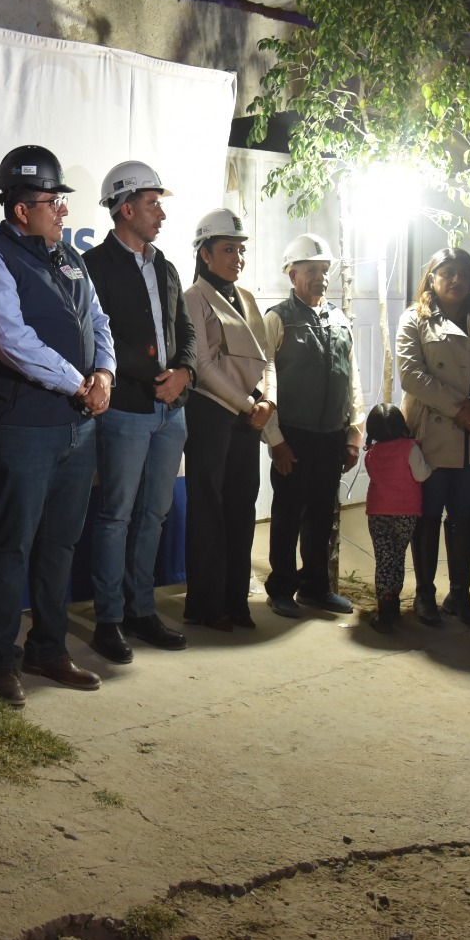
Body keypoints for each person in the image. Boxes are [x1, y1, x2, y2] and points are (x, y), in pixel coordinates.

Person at [0, 145, 115, 705]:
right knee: (14, 547)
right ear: (22, 209)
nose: (63, 211)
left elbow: (98, 319)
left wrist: (105, 373)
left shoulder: (69, 258)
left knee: (60, 544)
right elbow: (11, 340)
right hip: (23, 427)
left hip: (77, 427)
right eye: (53, 202)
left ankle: (48, 649)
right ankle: (0, 661)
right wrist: (80, 384)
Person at [80, 161, 195, 663]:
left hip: (171, 411)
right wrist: (154, 378)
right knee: (116, 516)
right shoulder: (93, 266)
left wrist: (185, 372)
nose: (161, 214)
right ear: (125, 209)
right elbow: (94, 337)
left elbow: (185, 331)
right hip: (126, 409)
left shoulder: (164, 265)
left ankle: (141, 610)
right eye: (152, 204)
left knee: (154, 513)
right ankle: (109, 620)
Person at [396, 247, 470, 627]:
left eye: (464, 273)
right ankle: (425, 594)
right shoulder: (414, 318)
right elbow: (411, 375)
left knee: (463, 513)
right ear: (432, 278)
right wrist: (458, 409)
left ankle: (459, 594)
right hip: (434, 432)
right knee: (429, 513)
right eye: (448, 272)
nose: (457, 280)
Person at [259, 234, 365, 618]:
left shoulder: (339, 319)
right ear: (292, 275)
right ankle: (281, 589)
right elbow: (264, 380)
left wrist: (354, 433)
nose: (320, 277)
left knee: (321, 515)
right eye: (311, 270)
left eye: (324, 270)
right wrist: (275, 440)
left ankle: (316, 588)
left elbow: (352, 378)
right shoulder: (277, 319)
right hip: (294, 435)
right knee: (288, 515)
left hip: (331, 435)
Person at [182, 208, 274, 630]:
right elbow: (201, 364)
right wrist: (247, 403)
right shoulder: (193, 298)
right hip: (211, 415)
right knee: (209, 510)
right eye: (227, 249)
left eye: (240, 249)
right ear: (205, 254)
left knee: (241, 507)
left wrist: (267, 401)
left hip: (247, 417)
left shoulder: (248, 298)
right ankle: (206, 605)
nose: (238, 258)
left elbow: (268, 359)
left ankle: (236, 601)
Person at [363, 403, 432, 631]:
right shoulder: (410, 448)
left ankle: (385, 610)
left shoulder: (371, 454)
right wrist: (430, 467)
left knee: (384, 559)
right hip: (405, 514)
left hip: (377, 513)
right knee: (398, 556)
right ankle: (393, 605)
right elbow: (421, 475)